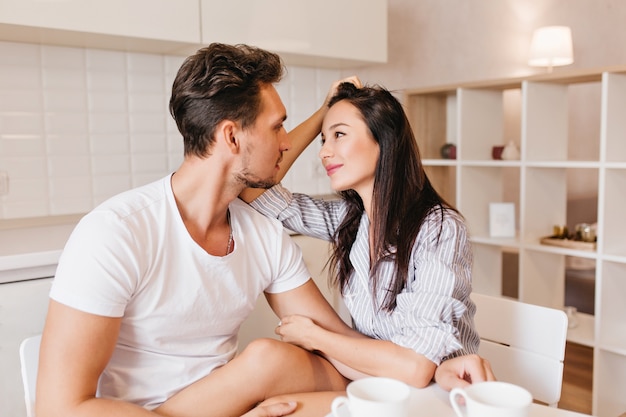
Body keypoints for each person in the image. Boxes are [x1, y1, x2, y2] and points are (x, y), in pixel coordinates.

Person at [36, 43, 354, 417]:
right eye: (277, 125)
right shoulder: (116, 233)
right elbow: (59, 409)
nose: (287, 142)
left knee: (323, 388)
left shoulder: (263, 234)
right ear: (231, 137)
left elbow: (340, 348)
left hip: (231, 406)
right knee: (269, 361)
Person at [242, 82, 485, 387]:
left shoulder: (439, 229)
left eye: (339, 135)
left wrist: (315, 337)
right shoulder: (351, 222)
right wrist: (324, 112)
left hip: (436, 397)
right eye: (323, 139)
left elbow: (415, 368)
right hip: (376, 387)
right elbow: (253, 189)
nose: (324, 152)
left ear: (384, 139)